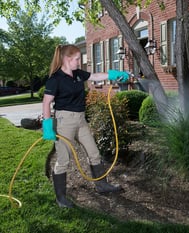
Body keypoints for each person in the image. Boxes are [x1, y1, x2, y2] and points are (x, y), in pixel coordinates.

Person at [42, 44, 128, 208]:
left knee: (94, 153)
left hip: (81, 120)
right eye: (76, 59)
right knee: (63, 159)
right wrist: (47, 126)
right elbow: (46, 102)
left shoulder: (78, 74)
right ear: (67, 59)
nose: (79, 63)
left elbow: (95, 76)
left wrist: (113, 74)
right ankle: (61, 198)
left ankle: (102, 185)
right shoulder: (55, 79)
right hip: (64, 121)